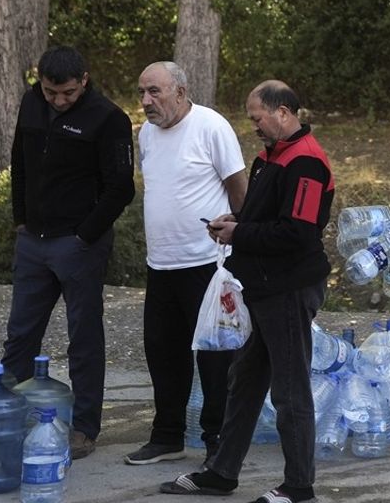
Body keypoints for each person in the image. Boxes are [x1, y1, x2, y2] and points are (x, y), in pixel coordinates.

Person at [161, 81, 333, 503]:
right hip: (259, 286)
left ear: (283, 113)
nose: (253, 125)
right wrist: (233, 220)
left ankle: (299, 486)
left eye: (257, 117)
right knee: (245, 380)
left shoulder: (306, 162)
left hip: (289, 288)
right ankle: (221, 472)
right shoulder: (268, 157)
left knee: (289, 389)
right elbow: (263, 214)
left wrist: (242, 231)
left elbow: (297, 231)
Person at [2, 45, 136, 460]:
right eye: (50, 92)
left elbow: (121, 188)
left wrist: (85, 236)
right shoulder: (30, 103)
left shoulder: (109, 119)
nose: (59, 101)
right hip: (33, 241)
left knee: (83, 338)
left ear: (85, 81)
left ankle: (84, 427)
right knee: (20, 334)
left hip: (78, 245)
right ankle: (7, 414)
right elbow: (19, 162)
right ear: (39, 83)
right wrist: (20, 218)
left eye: (69, 94)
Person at [125, 62, 247, 466]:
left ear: (180, 90)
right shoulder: (146, 135)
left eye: (155, 92)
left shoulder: (211, 126)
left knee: (214, 357)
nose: (146, 101)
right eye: (142, 92)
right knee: (162, 351)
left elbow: (238, 191)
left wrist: (244, 237)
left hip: (207, 263)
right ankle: (167, 436)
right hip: (161, 263)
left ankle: (217, 442)